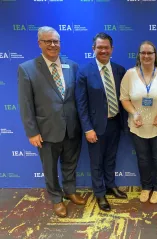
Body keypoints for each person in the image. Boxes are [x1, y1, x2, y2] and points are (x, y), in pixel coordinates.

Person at [18, 26, 85, 218]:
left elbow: (75, 98)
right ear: (39, 43)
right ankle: (56, 199)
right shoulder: (27, 69)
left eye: (56, 41)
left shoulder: (72, 65)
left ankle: (70, 191)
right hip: (46, 131)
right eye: (48, 41)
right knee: (49, 167)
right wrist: (32, 132)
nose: (53, 45)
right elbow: (25, 103)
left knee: (70, 163)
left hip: (72, 128)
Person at [75, 33, 127, 212]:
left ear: (112, 49)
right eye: (100, 47)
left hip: (115, 123)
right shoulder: (84, 71)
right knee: (96, 162)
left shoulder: (120, 70)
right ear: (93, 49)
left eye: (107, 47)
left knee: (111, 158)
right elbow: (81, 104)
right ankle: (99, 193)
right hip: (95, 127)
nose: (103, 50)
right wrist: (87, 128)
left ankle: (111, 186)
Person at [120, 41, 157, 204]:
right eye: (143, 53)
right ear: (139, 55)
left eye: (149, 53)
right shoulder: (129, 74)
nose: (146, 56)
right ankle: (146, 187)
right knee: (143, 159)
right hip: (138, 126)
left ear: (155, 55)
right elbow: (124, 98)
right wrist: (134, 113)